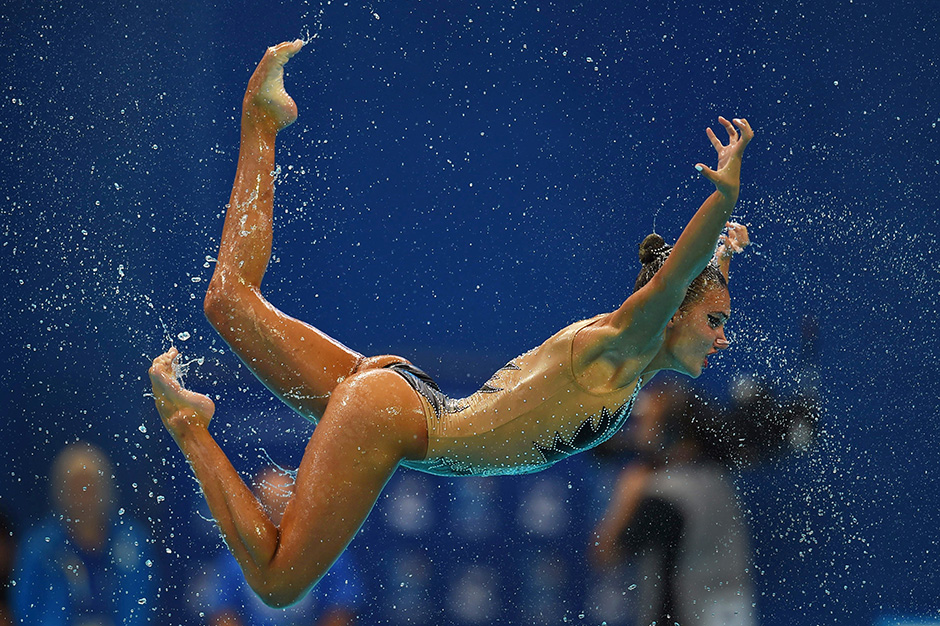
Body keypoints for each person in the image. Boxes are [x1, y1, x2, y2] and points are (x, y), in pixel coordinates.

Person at [147, 40, 754, 607]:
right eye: (716, 321)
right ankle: (191, 427)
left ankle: (262, 121)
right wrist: (721, 206)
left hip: (401, 399)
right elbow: (674, 279)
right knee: (279, 583)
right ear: (672, 314)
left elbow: (683, 285)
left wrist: (722, 252)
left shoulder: (632, 356)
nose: (724, 337)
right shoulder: (620, 347)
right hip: (393, 418)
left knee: (229, 302)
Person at [12, 442, 158, 625]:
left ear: (106, 488)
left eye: (89, 485)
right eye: (76, 486)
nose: (83, 495)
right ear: (60, 491)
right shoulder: (40, 547)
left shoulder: (133, 541)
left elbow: (140, 606)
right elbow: (27, 611)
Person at [202, 466, 361, 626]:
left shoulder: (327, 553)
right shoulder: (236, 558)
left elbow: (341, 612)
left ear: (298, 506)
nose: (277, 513)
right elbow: (223, 616)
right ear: (256, 510)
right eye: (269, 505)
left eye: (283, 504)